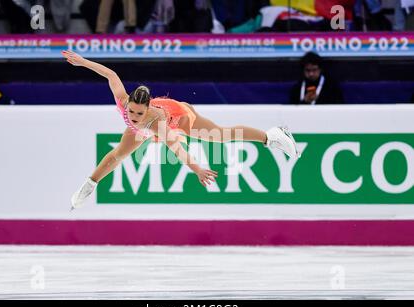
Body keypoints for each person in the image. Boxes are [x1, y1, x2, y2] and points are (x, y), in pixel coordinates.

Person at [61, 50, 300, 210]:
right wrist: (82, 62)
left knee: (221, 136)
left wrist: (197, 169)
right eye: (131, 112)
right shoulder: (124, 102)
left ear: (147, 109)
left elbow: (177, 149)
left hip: (179, 116)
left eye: (138, 114)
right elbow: (110, 74)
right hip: (153, 126)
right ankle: (89, 185)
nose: (133, 118)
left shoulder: (157, 123)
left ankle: (272, 136)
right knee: (117, 155)